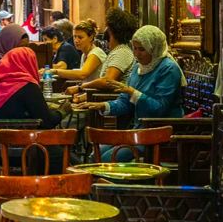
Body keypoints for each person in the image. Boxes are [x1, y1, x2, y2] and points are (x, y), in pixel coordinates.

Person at [77, 25, 185, 161]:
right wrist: (103, 106)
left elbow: (159, 108)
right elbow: (125, 102)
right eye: (134, 48)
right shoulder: (138, 67)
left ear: (154, 48)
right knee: (95, 155)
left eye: (142, 50)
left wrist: (132, 92)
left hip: (159, 133)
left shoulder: (168, 69)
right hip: (138, 131)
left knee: (108, 158)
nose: (136, 54)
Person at [0, 46, 72, 173]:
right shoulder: (27, 86)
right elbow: (47, 121)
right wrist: (63, 111)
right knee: (69, 160)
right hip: (27, 149)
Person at [66, 8, 137, 97]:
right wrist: (83, 98)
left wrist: (80, 87)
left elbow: (107, 81)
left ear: (112, 31)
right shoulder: (117, 50)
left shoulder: (122, 52)